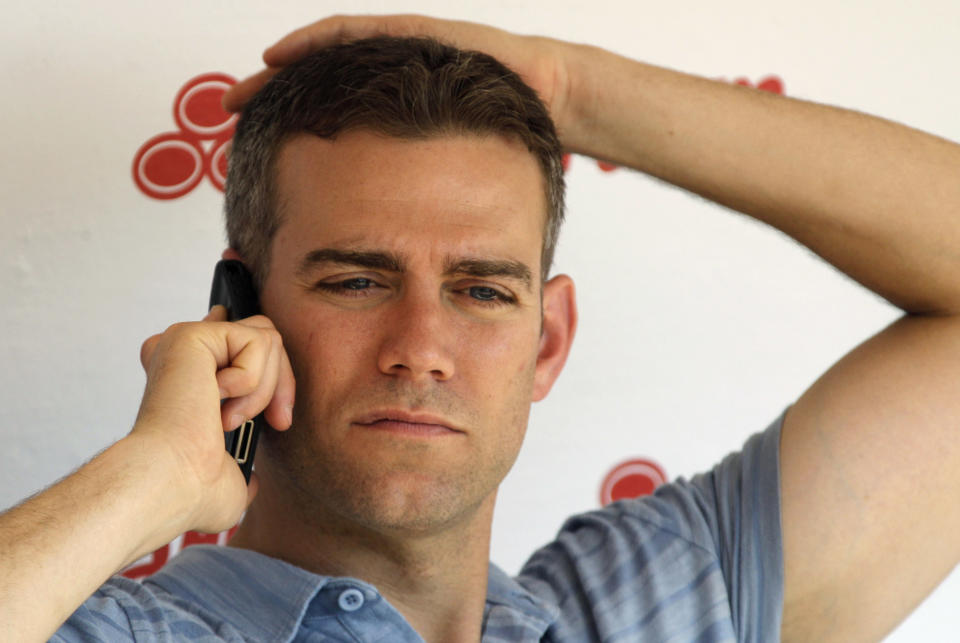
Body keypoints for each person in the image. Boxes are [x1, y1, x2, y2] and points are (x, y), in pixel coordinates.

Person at [2, 13, 959, 642]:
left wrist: (571, 91)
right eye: (356, 280)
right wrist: (152, 476)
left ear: (548, 341)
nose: (420, 345)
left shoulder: (641, 611)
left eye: (483, 291)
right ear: (241, 316)